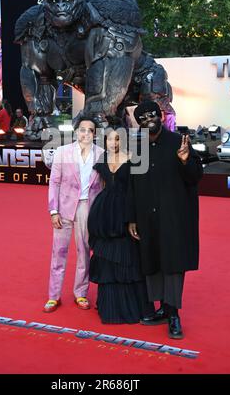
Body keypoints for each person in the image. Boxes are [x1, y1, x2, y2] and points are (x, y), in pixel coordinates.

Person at [127, 101, 203, 339]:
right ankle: (162, 308)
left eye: (152, 116)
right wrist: (132, 218)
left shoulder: (178, 143)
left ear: (160, 116)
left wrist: (184, 160)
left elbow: (195, 177)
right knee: (152, 261)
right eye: (143, 119)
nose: (149, 121)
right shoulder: (138, 148)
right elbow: (133, 187)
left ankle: (173, 314)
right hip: (147, 216)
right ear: (138, 123)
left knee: (172, 263)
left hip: (174, 216)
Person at [88, 119, 154, 324]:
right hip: (105, 214)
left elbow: (140, 188)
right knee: (106, 257)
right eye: (109, 139)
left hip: (126, 211)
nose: (113, 143)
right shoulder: (101, 158)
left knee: (129, 257)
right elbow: (96, 185)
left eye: (117, 139)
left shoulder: (134, 158)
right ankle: (109, 305)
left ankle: (135, 307)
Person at [44, 116, 104, 313]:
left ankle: (81, 293)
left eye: (90, 130)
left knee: (84, 253)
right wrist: (54, 210)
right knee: (58, 252)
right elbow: (54, 182)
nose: (86, 133)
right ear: (76, 131)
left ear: (95, 134)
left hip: (89, 208)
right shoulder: (62, 152)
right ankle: (54, 296)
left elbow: (104, 185)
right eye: (83, 129)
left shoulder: (101, 154)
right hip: (64, 208)